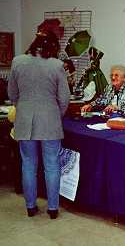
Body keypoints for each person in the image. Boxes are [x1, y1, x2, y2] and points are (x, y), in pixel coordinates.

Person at [7, 30, 70, 219]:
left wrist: (24, 107)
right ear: (53, 47)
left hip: (25, 120)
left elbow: (12, 94)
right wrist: (55, 114)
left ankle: (30, 206)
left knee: (28, 165)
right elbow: (64, 98)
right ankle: (52, 208)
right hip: (50, 120)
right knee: (52, 165)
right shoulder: (57, 65)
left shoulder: (17, 61)